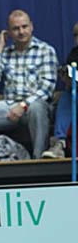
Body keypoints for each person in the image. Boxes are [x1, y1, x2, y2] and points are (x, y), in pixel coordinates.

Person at [0, 9, 58, 160]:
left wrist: (23, 105)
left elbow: (47, 89)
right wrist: (0, 46)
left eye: (24, 26)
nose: (21, 32)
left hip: (34, 106)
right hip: (9, 106)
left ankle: (38, 161)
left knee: (37, 108)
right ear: (9, 32)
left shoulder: (45, 51)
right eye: (16, 28)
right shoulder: (6, 53)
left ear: (31, 26)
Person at [42, 22, 78, 158]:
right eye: (76, 36)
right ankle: (60, 143)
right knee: (66, 96)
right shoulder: (74, 54)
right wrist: (67, 79)